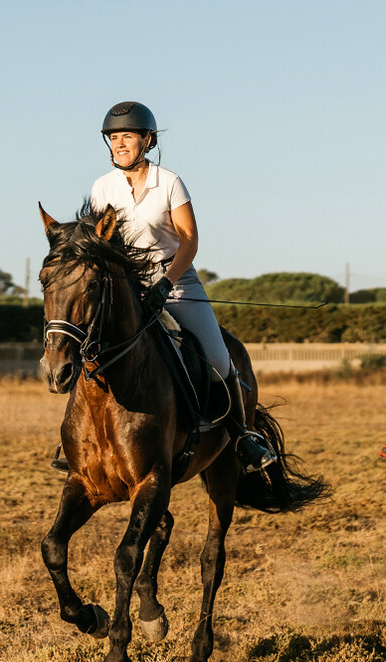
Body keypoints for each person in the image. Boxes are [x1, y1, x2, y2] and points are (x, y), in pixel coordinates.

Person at [50, 101, 277, 473]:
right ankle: (72, 440)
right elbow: (97, 245)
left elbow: (189, 241)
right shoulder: (102, 187)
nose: (120, 143)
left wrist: (166, 282)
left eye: (128, 136)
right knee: (92, 349)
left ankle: (242, 436)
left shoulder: (168, 181)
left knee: (219, 359)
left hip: (175, 280)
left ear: (147, 140)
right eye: (114, 137)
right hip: (126, 285)